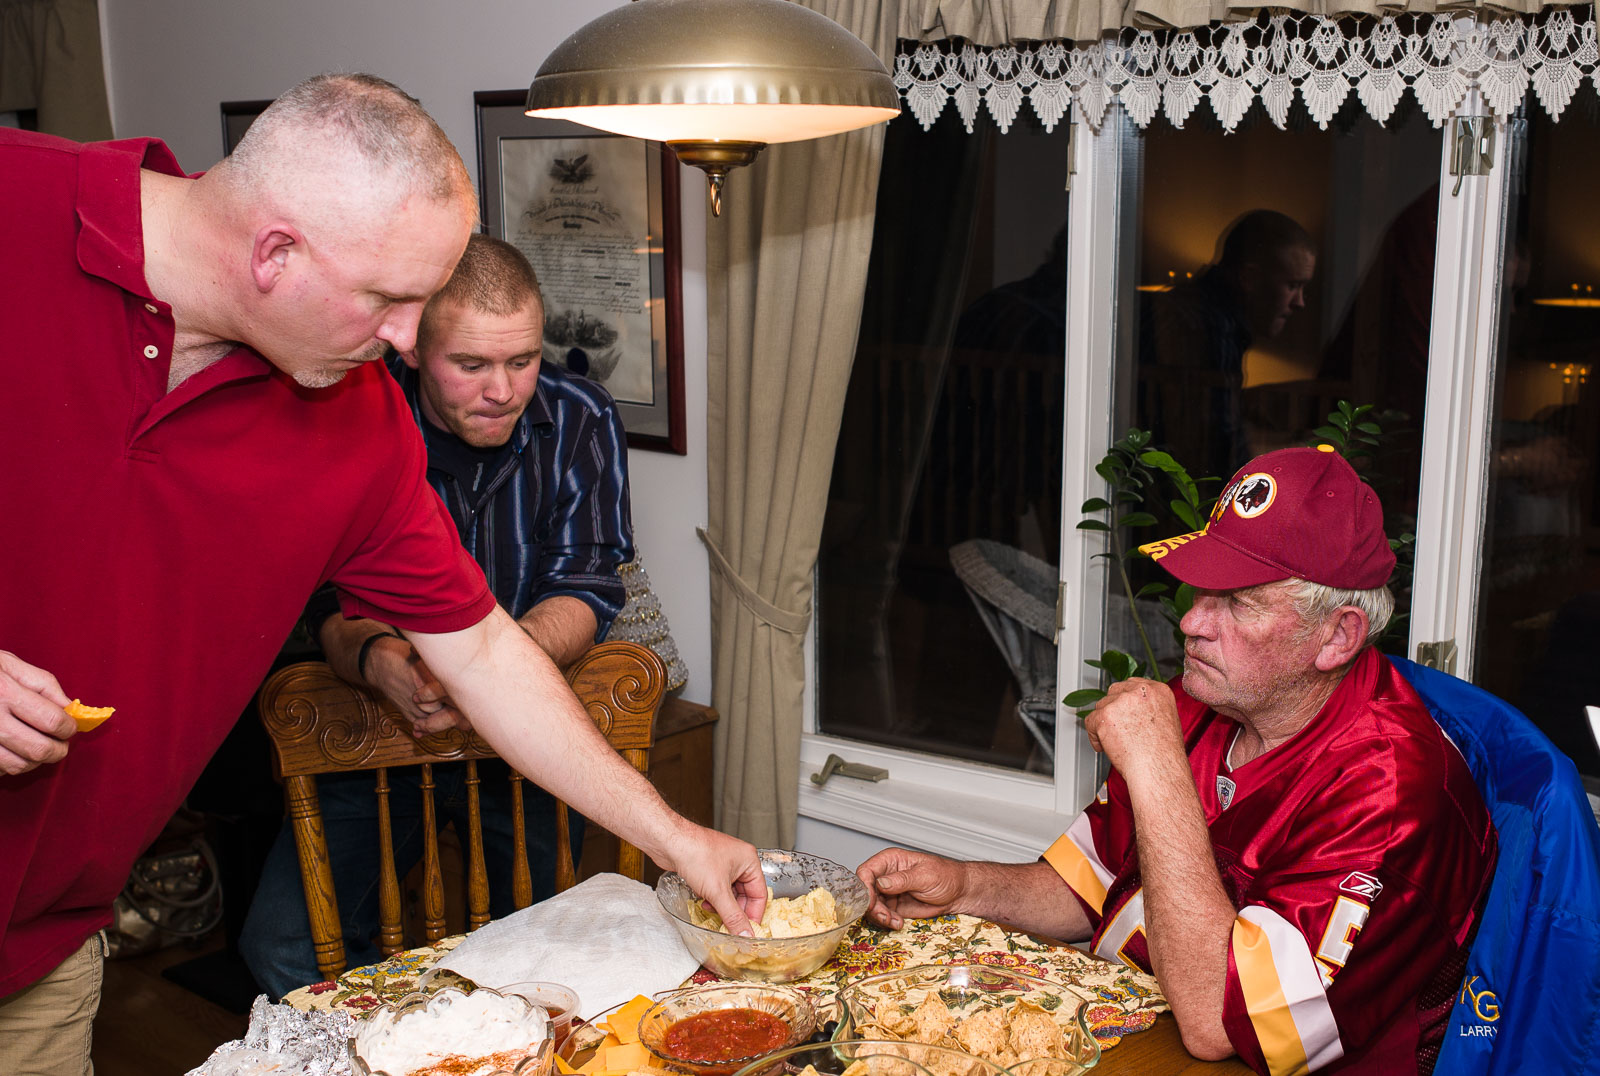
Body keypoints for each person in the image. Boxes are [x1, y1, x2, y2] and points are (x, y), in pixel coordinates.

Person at [0, 73, 763, 1072]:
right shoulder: (19, 206)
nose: (406, 339)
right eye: (390, 301)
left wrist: (675, 837)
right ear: (275, 253)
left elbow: (483, 650)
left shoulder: (357, 419)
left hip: (42, 953)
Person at [858, 446, 1497, 1074]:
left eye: (1237, 602)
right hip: (1144, 1030)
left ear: (1336, 636)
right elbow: (1092, 883)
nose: (1192, 622)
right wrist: (963, 886)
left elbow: (1220, 1024)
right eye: (1200, 590)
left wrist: (1157, 767)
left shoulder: (1392, 791)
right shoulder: (1207, 700)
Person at [239, 234, 635, 997]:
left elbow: (586, 585)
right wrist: (380, 660)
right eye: (472, 365)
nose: (504, 390)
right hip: (375, 725)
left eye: (522, 360)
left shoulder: (580, 415)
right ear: (415, 350)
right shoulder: (350, 413)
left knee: (548, 963)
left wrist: (490, 674)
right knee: (284, 945)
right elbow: (322, 596)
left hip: (529, 743)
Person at [1141, 210, 1316, 479]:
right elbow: (1225, 457)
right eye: (1293, 285)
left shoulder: (1204, 313)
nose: (1300, 302)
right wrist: (1309, 454)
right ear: (1249, 279)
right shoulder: (1206, 328)